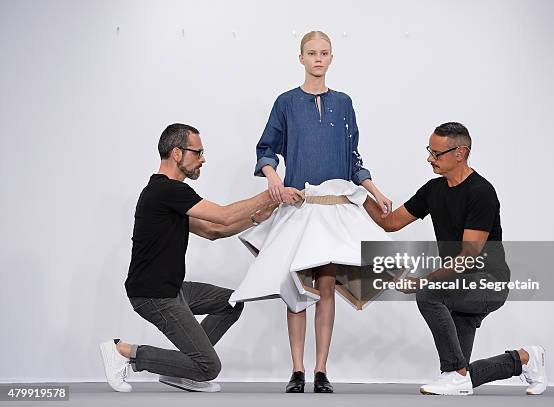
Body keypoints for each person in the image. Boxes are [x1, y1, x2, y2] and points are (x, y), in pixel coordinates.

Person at [229, 31, 392, 393]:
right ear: (300, 57)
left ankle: (321, 371)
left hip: (333, 210)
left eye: (324, 53)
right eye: (311, 53)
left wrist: (375, 191)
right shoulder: (286, 102)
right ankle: (296, 370)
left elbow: (353, 158)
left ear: (332, 58)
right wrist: (272, 177)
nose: (318, 59)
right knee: (295, 290)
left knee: (327, 288)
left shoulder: (345, 103)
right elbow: (267, 148)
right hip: (299, 207)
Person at [99, 123, 303, 393]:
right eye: (198, 152)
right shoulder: (167, 190)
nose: (203, 159)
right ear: (176, 153)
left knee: (230, 303)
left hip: (172, 289)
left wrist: (255, 217)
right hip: (153, 294)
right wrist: (272, 193)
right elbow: (224, 215)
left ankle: (181, 371)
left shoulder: (166, 196)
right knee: (208, 367)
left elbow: (214, 230)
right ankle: (124, 352)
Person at [364, 122, 547, 396]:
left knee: (428, 294)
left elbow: (469, 256)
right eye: (429, 151)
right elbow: (389, 223)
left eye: (436, 153)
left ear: (460, 153)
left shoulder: (481, 192)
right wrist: (355, 195)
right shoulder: (433, 190)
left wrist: (423, 282)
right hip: (459, 284)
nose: (429, 158)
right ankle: (525, 358)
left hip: (488, 283)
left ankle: (453, 372)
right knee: (463, 375)